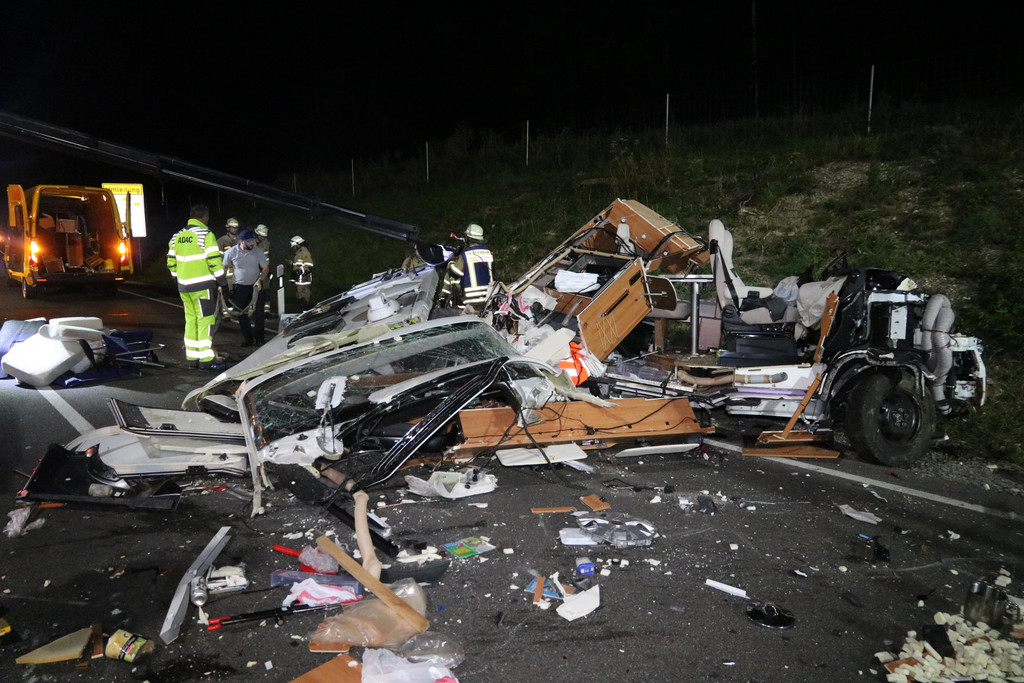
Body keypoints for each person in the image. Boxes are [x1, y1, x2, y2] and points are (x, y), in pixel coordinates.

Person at [167, 204, 228, 371]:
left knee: (191, 320)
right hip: (202, 286)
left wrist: (177, 276)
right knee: (205, 321)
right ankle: (206, 360)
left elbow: (171, 262)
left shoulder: (177, 236)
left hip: (184, 287)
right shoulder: (205, 234)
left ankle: (192, 359)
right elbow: (214, 260)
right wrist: (222, 281)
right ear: (205, 217)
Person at [222, 229, 270, 346]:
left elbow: (265, 268)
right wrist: (222, 284)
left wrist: (260, 280)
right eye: (249, 241)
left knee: (259, 313)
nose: (252, 243)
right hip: (239, 287)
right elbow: (224, 267)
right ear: (241, 241)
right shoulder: (231, 252)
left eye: (253, 241)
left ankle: (260, 339)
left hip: (256, 286)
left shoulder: (258, 252)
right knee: (241, 313)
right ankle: (248, 338)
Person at [442, 223, 494, 309]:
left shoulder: (466, 254)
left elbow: (455, 273)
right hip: (489, 297)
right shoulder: (488, 252)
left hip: (471, 299)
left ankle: (444, 299)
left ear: (468, 238)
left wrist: (451, 263)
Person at [288, 235, 314, 310]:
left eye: (294, 246)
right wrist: (292, 264)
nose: (294, 248)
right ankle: (305, 310)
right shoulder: (299, 252)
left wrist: (300, 271)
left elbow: (309, 265)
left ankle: (306, 310)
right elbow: (299, 264)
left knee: (303, 295)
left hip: (303, 277)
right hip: (300, 277)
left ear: (298, 244)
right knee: (300, 295)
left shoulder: (304, 251)